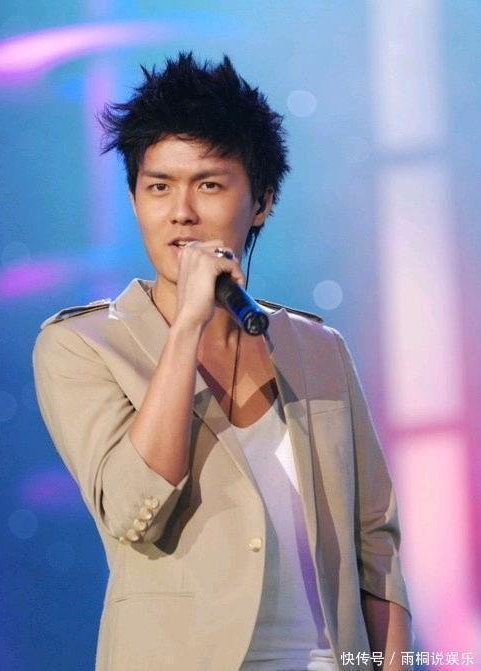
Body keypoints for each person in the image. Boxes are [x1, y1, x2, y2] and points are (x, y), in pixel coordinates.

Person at [32, 52, 413, 671]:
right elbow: (133, 512)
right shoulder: (84, 345)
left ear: (261, 201)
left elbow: (376, 545)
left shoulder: (319, 350)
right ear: (134, 198)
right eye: (159, 186)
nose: (181, 211)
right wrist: (185, 329)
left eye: (209, 184)